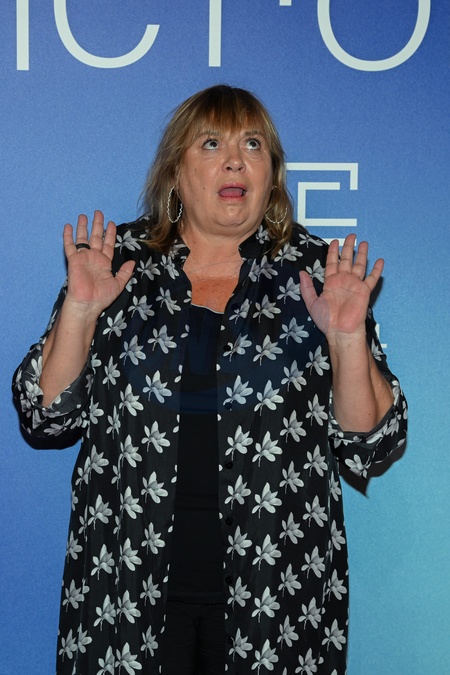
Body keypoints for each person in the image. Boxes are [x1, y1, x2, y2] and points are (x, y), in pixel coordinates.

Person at [13, 84, 407, 675]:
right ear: (176, 171)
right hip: (124, 595)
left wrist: (347, 339)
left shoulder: (319, 273)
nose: (235, 161)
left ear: (272, 176)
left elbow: (371, 444)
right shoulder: (116, 262)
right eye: (212, 144)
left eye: (253, 145)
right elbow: (45, 417)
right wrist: (80, 311)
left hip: (278, 601)